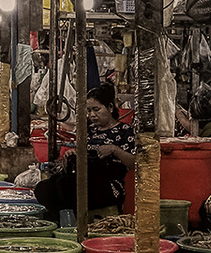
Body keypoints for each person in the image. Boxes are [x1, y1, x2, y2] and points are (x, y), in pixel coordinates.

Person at [32, 84, 137, 217]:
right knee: (43, 188)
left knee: (65, 185)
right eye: (89, 111)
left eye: (96, 109)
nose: (92, 115)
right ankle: (64, 221)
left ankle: (66, 221)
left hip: (108, 186)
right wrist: (74, 153)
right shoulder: (90, 130)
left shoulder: (125, 132)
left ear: (110, 107)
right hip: (83, 179)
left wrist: (114, 150)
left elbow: (134, 163)